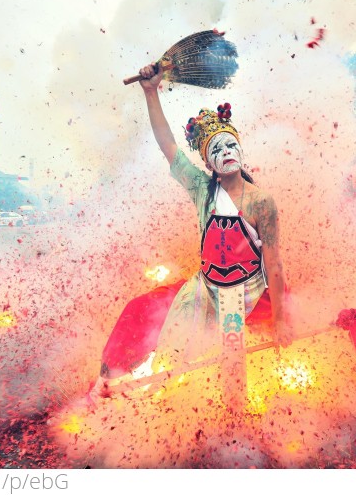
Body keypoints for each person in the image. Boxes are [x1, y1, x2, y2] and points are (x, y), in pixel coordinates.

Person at [90, 63, 294, 410]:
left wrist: (281, 322)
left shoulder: (262, 202)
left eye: (231, 146)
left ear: (241, 151)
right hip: (205, 285)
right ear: (207, 161)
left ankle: (235, 417)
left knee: (233, 357)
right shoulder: (201, 189)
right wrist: (150, 92)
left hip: (246, 289)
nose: (226, 152)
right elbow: (168, 145)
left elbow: (273, 264)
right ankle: (164, 403)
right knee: (171, 350)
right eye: (217, 150)